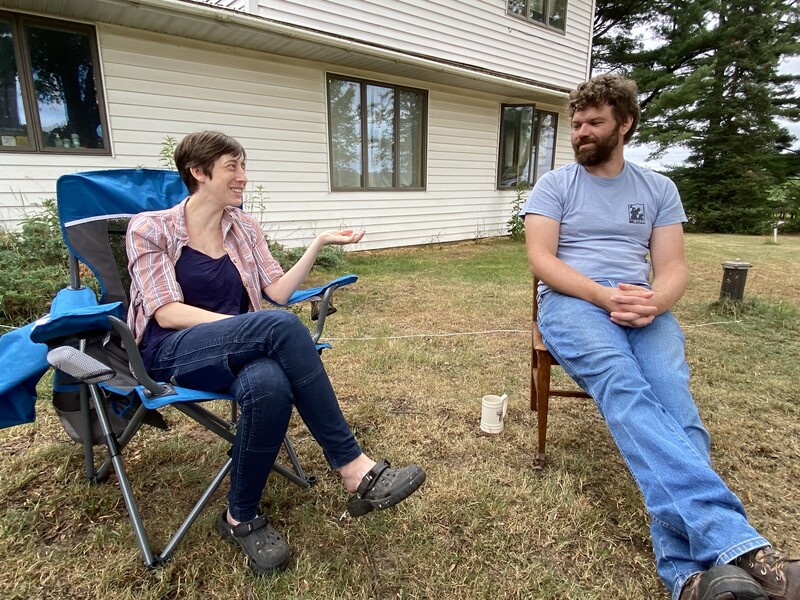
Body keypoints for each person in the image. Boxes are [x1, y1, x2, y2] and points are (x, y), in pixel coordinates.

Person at [521, 73, 798, 600]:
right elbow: (542, 260)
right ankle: (742, 548)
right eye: (576, 123)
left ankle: (689, 578)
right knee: (624, 385)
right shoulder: (555, 186)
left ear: (624, 124)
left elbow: (672, 267)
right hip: (573, 303)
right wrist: (603, 298)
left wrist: (655, 300)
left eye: (593, 122)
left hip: (641, 306)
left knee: (676, 406)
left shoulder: (658, 189)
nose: (580, 131)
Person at [126, 130, 425, 574]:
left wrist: (320, 241)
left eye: (243, 166)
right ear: (198, 172)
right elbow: (167, 313)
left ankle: (239, 517)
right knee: (277, 327)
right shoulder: (151, 228)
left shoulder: (243, 226)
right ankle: (352, 466)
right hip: (173, 353)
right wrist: (250, 328)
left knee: (269, 382)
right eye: (233, 167)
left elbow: (279, 292)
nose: (243, 177)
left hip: (242, 348)